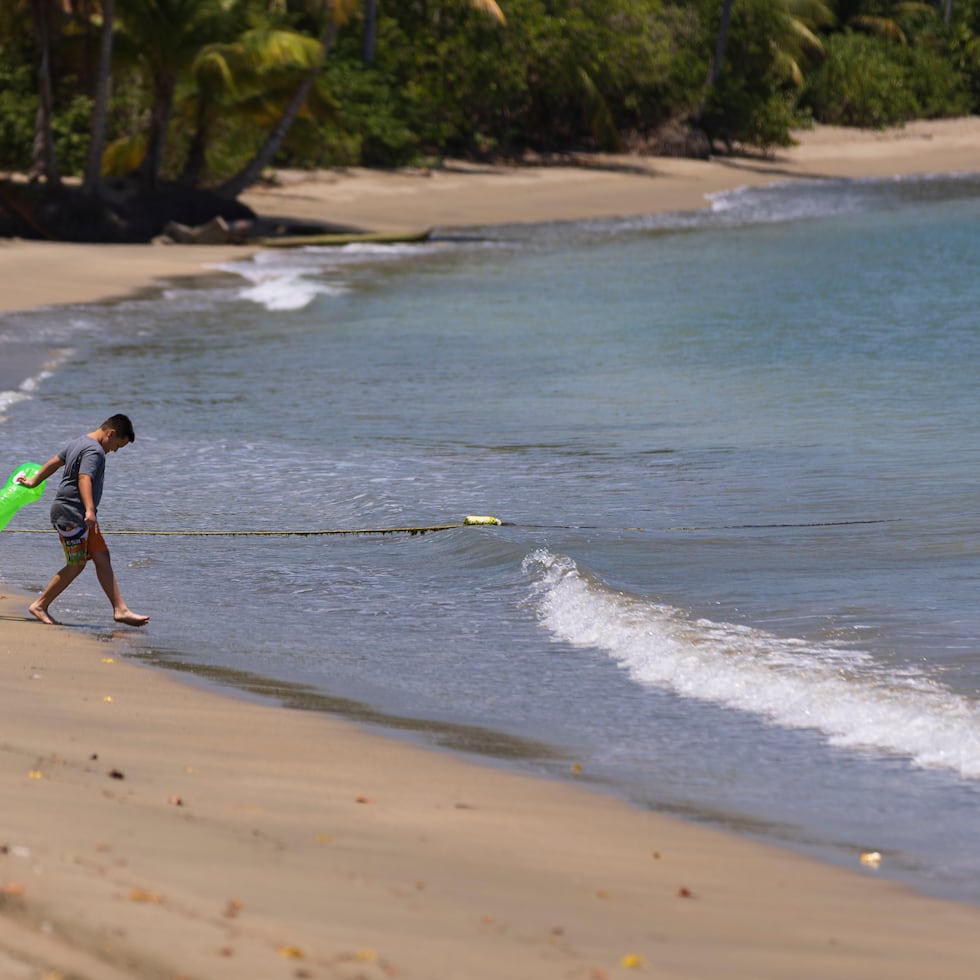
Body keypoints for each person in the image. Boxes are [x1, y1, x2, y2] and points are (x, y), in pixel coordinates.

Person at [17, 414, 149, 627]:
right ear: (111, 433)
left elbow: (54, 462)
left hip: (77, 514)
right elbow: (84, 477)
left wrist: (34, 481)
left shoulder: (77, 442)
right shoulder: (95, 451)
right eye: (117, 445)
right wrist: (89, 509)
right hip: (72, 514)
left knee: (102, 556)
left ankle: (120, 609)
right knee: (76, 564)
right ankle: (39, 605)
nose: (114, 450)